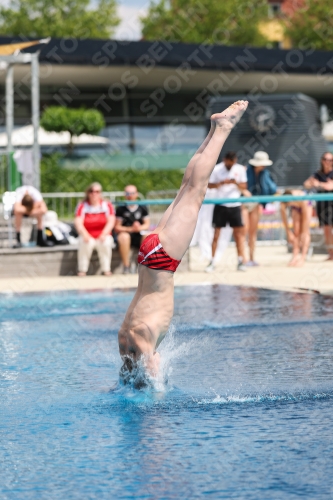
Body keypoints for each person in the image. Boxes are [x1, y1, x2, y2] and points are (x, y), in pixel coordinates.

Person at [118, 100, 249, 388]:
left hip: (162, 260)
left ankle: (223, 128)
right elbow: (125, 377)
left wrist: (159, 392)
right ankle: (215, 128)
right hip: (149, 254)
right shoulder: (124, 338)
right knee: (186, 188)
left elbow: (152, 367)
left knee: (195, 191)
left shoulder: (139, 339)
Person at [205, 151, 248, 273]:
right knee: (216, 235)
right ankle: (212, 261)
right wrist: (222, 183)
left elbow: (244, 186)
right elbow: (209, 185)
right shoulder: (217, 169)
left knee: (238, 235)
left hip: (234, 204)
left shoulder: (239, 169)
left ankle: (240, 261)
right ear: (225, 160)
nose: (231, 165)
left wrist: (235, 183)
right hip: (221, 204)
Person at [75, 182, 115, 276]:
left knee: (105, 243)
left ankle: (106, 270)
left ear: (100, 193)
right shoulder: (82, 205)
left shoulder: (107, 205)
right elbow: (78, 222)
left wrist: (104, 234)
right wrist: (85, 234)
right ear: (88, 193)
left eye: (97, 191)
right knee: (86, 243)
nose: (94, 194)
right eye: (91, 191)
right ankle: (82, 270)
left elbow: (111, 221)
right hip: (87, 234)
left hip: (103, 234)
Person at [245, 151, 277, 266]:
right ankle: (243, 259)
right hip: (243, 204)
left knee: (252, 232)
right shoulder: (245, 171)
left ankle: (251, 258)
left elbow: (273, 189)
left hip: (256, 204)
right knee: (243, 231)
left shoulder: (265, 173)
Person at [304, 152, 333, 260]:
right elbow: (306, 184)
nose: (328, 162)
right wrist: (321, 184)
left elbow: (331, 187)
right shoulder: (317, 173)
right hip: (323, 206)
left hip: (331, 205)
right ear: (322, 160)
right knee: (326, 229)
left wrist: (319, 184)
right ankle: (331, 253)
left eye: (330, 160)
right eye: (326, 159)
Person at [114, 185, 150, 274]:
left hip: (139, 234)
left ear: (137, 194)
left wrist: (138, 228)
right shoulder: (121, 208)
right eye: (127, 193)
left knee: (148, 237)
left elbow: (147, 224)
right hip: (127, 233)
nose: (130, 195)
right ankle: (126, 266)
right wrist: (131, 229)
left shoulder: (143, 207)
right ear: (124, 195)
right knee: (124, 237)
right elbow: (117, 227)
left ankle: (143, 265)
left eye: (132, 193)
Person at [280, 189, 312, 267]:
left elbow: (305, 222)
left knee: (305, 232)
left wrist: (303, 233)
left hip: (306, 205)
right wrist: (288, 232)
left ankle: (303, 258)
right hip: (296, 207)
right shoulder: (283, 202)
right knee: (296, 232)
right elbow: (284, 218)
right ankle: (295, 257)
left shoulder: (300, 197)